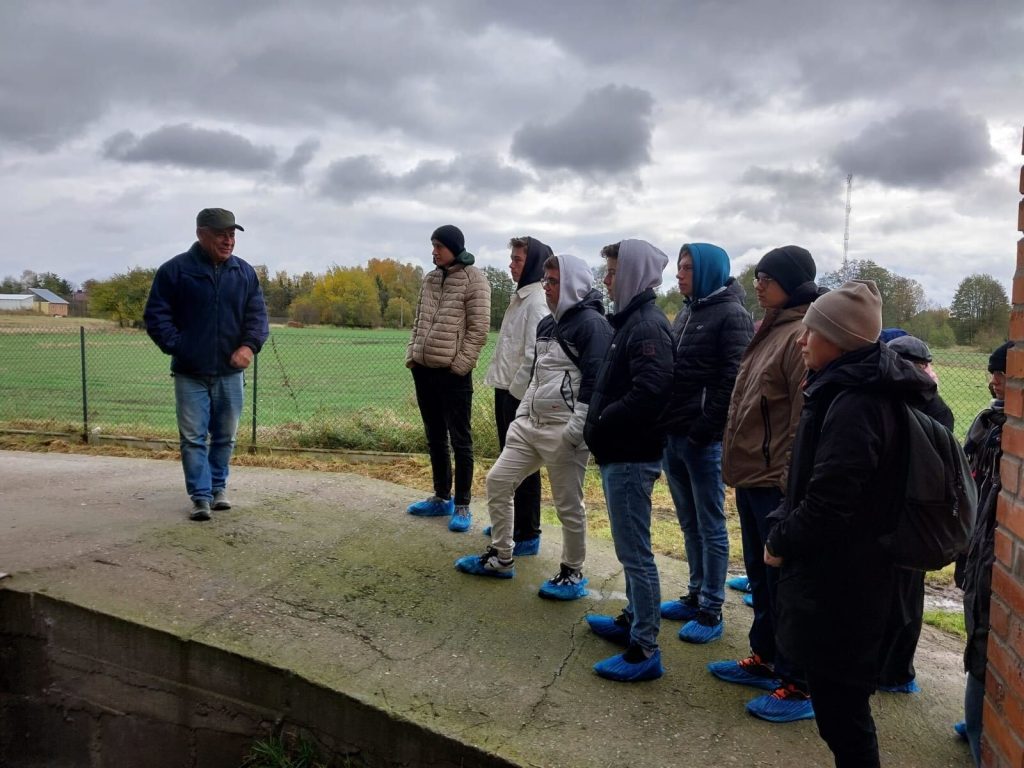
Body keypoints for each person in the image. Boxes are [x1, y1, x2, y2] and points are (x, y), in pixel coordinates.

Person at [764, 280, 940, 766]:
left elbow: (831, 503)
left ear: (839, 339)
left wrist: (780, 539)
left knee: (843, 713)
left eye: (811, 331)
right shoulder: (843, 389)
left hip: (845, 583)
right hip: (844, 578)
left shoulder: (856, 403)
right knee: (839, 709)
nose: (801, 339)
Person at [455, 254, 613, 599]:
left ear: (572, 284)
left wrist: (575, 431)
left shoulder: (592, 325)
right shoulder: (548, 324)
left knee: (568, 504)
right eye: (546, 280)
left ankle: (572, 572)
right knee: (498, 480)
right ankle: (501, 557)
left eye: (554, 281)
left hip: (565, 431)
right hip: (530, 426)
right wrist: (521, 418)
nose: (547, 287)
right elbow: (536, 377)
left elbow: (596, 381)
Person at [708, 245, 820, 722]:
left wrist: (786, 484)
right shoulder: (771, 328)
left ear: (792, 283)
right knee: (759, 573)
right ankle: (766, 656)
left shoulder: (799, 335)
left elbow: (799, 421)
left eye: (768, 277)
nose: (758, 284)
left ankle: (798, 685)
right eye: (757, 276)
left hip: (774, 482)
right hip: (752, 474)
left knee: (784, 581)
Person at [582, 239, 674, 682]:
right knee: (628, 547)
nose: (607, 279)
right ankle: (633, 622)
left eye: (614, 272)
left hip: (631, 455)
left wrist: (604, 422)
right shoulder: (631, 321)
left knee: (636, 553)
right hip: (620, 452)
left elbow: (651, 392)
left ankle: (644, 648)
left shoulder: (647, 326)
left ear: (634, 274)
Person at [143, 208, 269, 521]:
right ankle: (200, 497)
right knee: (193, 438)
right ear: (201, 234)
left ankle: (217, 489)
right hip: (190, 373)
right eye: (221, 234)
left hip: (230, 372)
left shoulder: (244, 273)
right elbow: (156, 316)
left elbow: (257, 317)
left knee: (225, 437)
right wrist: (181, 347)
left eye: (232, 235)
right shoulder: (175, 271)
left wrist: (248, 347)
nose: (228, 241)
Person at [660, 243, 753, 644]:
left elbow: (732, 381)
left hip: (703, 440)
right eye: (679, 267)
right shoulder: (688, 309)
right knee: (688, 521)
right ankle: (695, 593)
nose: (678, 275)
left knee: (711, 524)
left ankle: (712, 609)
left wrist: (703, 429)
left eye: (686, 268)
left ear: (709, 271)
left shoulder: (733, 316)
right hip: (673, 434)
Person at [876, 335, 954, 695]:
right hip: (893, 513)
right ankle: (882, 665)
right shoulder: (894, 400)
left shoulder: (933, 409)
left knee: (906, 598)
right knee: (885, 594)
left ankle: (898, 673)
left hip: (913, 516)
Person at [405, 225, 490, 532]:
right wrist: (413, 356)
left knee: (461, 440)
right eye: (432, 245)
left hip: (454, 374)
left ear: (454, 247)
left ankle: (463, 504)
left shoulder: (475, 279)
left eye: (439, 246)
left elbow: (479, 329)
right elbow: (418, 320)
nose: (434, 251)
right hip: (424, 370)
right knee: (435, 437)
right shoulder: (429, 279)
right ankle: (442, 497)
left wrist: (459, 366)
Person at [481, 236, 552, 556]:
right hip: (506, 388)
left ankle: (527, 531)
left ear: (534, 262)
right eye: (511, 258)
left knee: (522, 464)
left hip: (518, 394)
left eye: (518, 260)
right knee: (508, 463)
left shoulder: (536, 301)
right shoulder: (521, 297)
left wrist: (517, 396)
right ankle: (506, 522)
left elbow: (534, 355)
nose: (511, 264)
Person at [958, 341, 1011, 765]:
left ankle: (981, 736)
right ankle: (974, 718)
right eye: (993, 373)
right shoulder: (987, 420)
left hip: (999, 551)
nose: (992, 380)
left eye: (1001, 373)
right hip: (978, 543)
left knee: (985, 642)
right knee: (975, 629)